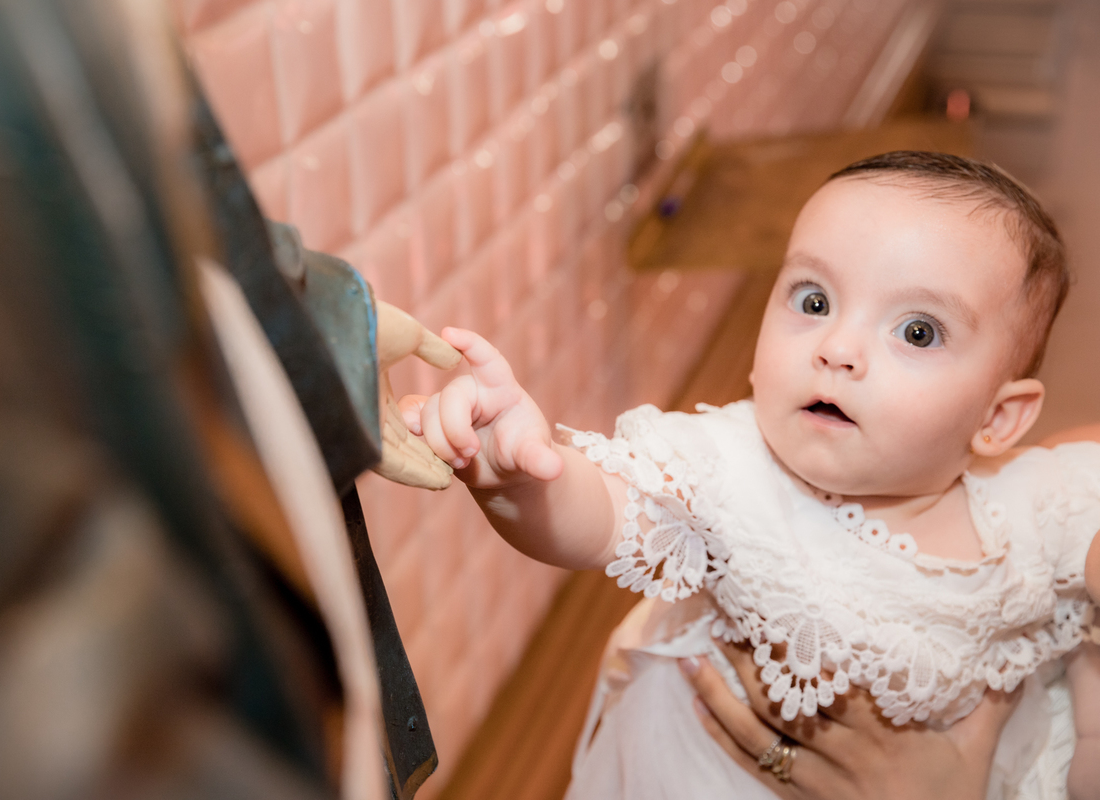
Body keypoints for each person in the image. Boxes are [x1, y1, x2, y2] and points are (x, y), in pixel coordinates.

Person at [399, 152, 1100, 798]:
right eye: (814, 301)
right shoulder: (736, 469)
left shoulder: (1030, 508)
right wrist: (516, 477)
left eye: (917, 331)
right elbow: (601, 514)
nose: (838, 348)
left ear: (999, 419)